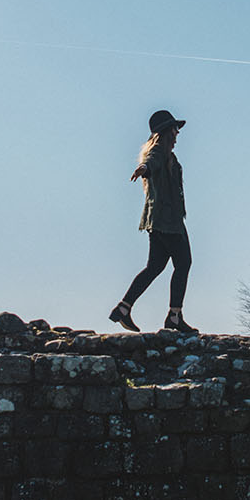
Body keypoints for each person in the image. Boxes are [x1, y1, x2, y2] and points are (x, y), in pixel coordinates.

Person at [109, 109, 198, 334]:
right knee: (184, 262)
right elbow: (152, 162)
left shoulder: (166, 154)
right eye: (175, 130)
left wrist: (147, 167)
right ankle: (175, 316)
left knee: (155, 266)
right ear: (167, 132)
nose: (177, 135)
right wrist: (144, 168)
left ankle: (123, 307)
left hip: (158, 219)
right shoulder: (159, 152)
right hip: (168, 220)